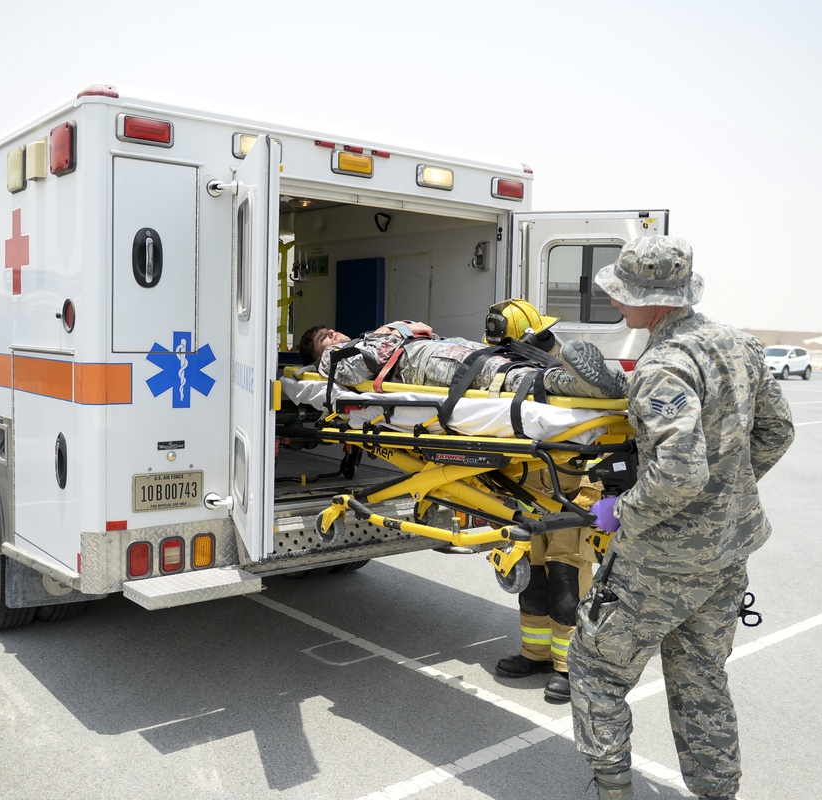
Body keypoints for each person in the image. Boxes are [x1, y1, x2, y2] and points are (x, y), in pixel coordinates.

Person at [568, 237, 795, 800]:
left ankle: (613, 790)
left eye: (623, 295)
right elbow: (778, 432)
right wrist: (729, 495)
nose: (618, 304)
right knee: (701, 682)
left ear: (653, 301)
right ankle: (718, 793)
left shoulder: (663, 366)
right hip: (726, 556)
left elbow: (679, 474)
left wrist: (621, 511)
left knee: (596, 669)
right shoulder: (737, 345)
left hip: (660, 561)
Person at [485, 299, 598, 703]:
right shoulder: (503, 381)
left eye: (550, 337)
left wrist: (591, 500)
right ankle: (534, 654)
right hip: (527, 499)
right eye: (545, 337)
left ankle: (571, 666)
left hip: (570, 500)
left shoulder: (574, 380)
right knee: (532, 580)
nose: (553, 343)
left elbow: (602, 444)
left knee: (568, 584)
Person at [298, 317, 627, 400]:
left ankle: (604, 382)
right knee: (497, 374)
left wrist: (400, 328)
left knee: (504, 359)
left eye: (330, 331)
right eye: (322, 338)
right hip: (421, 364)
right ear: (317, 353)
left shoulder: (365, 338)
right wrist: (399, 329)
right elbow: (354, 370)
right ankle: (583, 386)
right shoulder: (332, 360)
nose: (332, 335)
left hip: (438, 349)